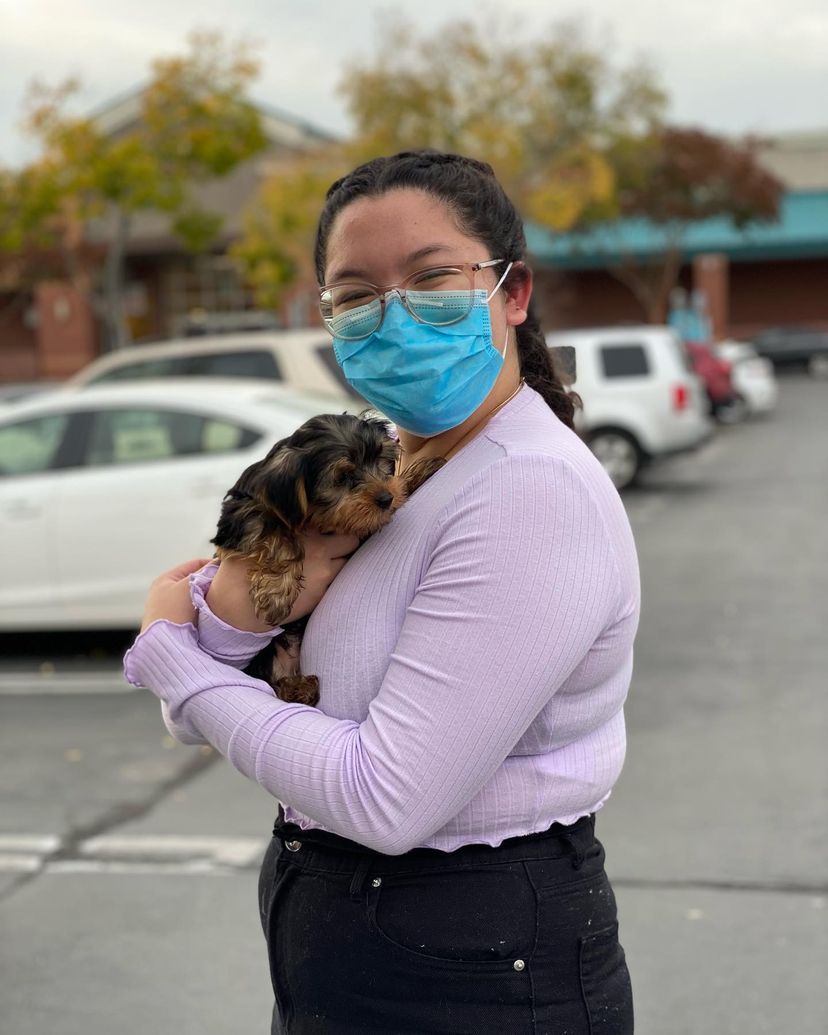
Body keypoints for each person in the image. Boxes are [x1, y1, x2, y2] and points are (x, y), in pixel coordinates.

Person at [124, 149, 640, 1034]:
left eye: (432, 278)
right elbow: (206, 700)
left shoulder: (529, 491)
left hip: (469, 959)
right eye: (356, 293)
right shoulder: (395, 473)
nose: (392, 315)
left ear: (511, 293)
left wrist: (175, 658)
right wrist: (212, 640)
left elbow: (383, 799)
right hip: (366, 943)